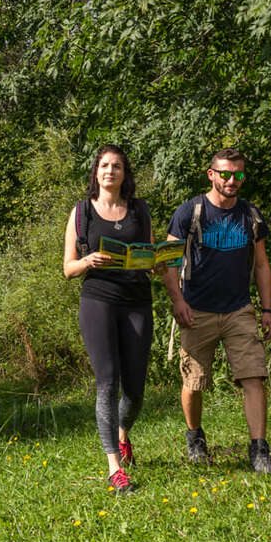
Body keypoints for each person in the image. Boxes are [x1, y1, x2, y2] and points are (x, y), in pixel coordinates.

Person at [163, 148, 271, 473]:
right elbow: (169, 261)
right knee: (194, 382)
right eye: (225, 174)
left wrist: (267, 308)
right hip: (196, 311)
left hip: (239, 310)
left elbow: (262, 264)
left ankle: (259, 450)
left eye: (238, 174)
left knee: (254, 376)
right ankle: (195, 438)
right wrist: (178, 301)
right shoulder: (189, 212)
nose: (232, 180)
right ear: (211, 174)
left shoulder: (250, 215)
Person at [64, 144, 154, 493]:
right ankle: (115, 468)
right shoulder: (82, 212)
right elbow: (68, 268)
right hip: (98, 300)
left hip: (137, 301)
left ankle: (122, 434)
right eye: (104, 165)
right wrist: (89, 261)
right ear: (96, 172)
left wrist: (159, 262)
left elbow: (148, 255)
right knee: (107, 382)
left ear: (124, 173)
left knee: (135, 390)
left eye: (117, 166)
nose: (110, 171)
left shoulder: (139, 211)